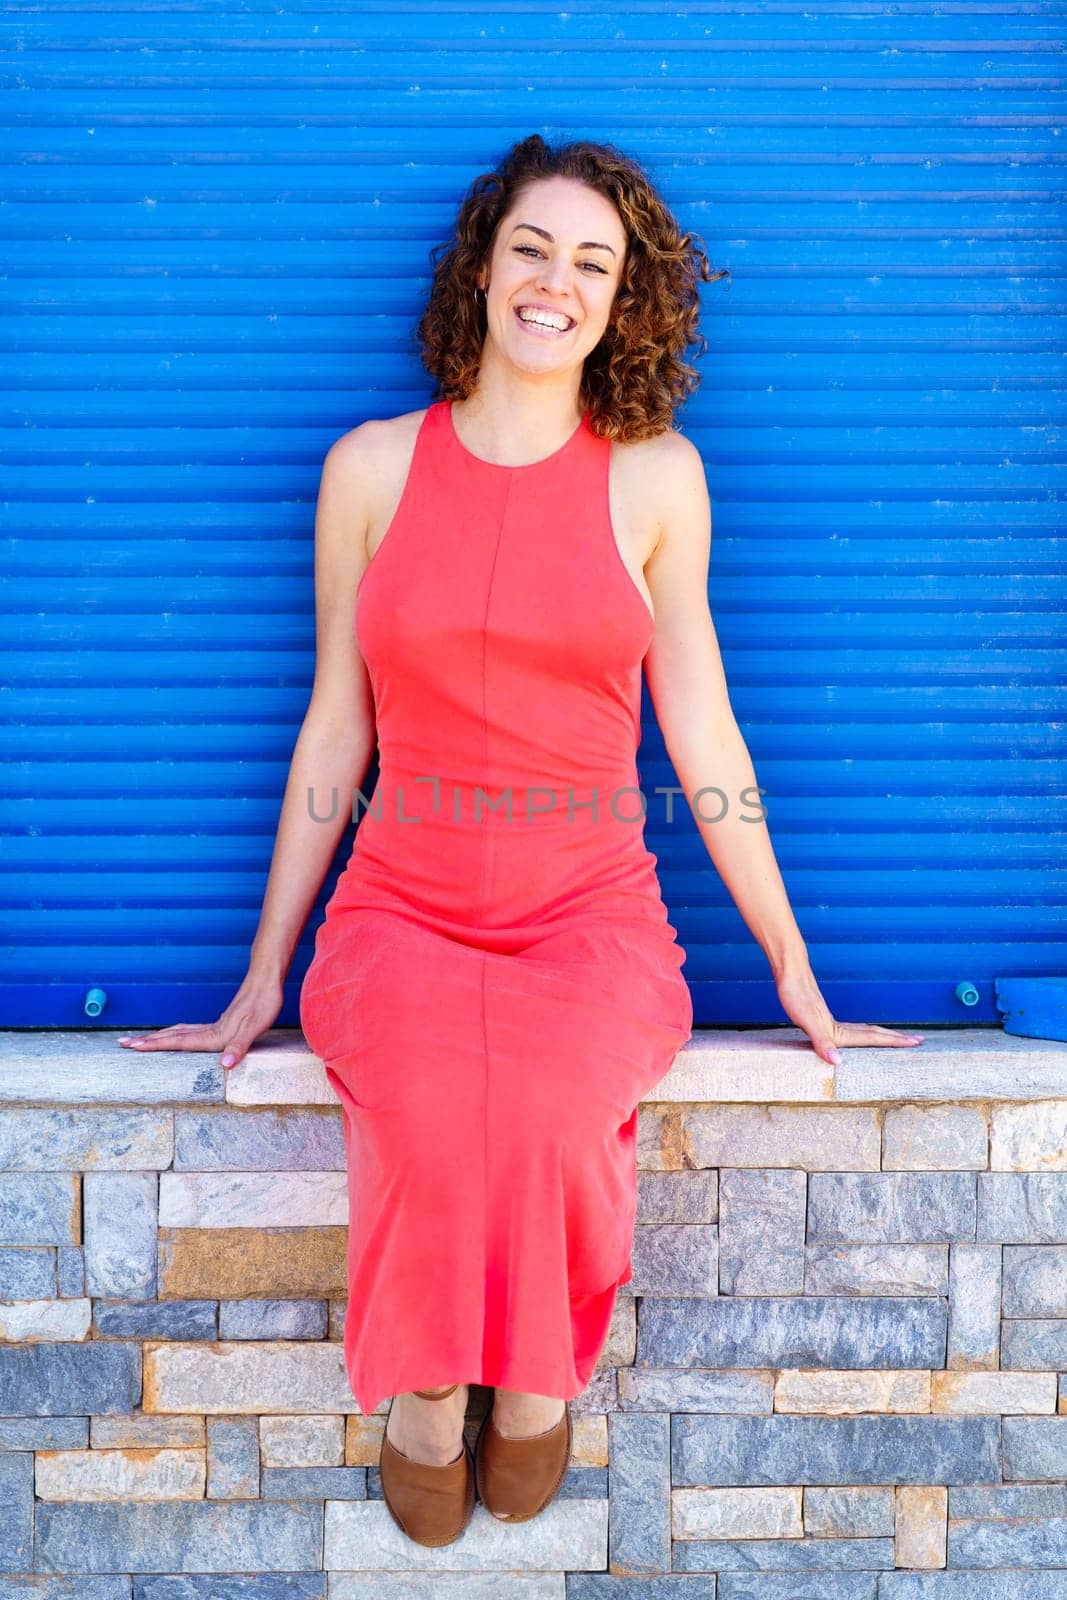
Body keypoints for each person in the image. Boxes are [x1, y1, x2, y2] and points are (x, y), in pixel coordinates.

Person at [116, 133, 925, 1546]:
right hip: (401, 913)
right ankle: (430, 1391)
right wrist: (263, 973)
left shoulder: (658, 480)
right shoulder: (369, 470)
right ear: (483, 270)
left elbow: (707, 735)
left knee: (554, 1105)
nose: (557, 283)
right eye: (533, 251)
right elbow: (331, 734)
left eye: (592, 264)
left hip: (592, 916)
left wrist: (793, 960)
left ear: (624, 303)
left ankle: (538, 1383)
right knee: (426, 1104)